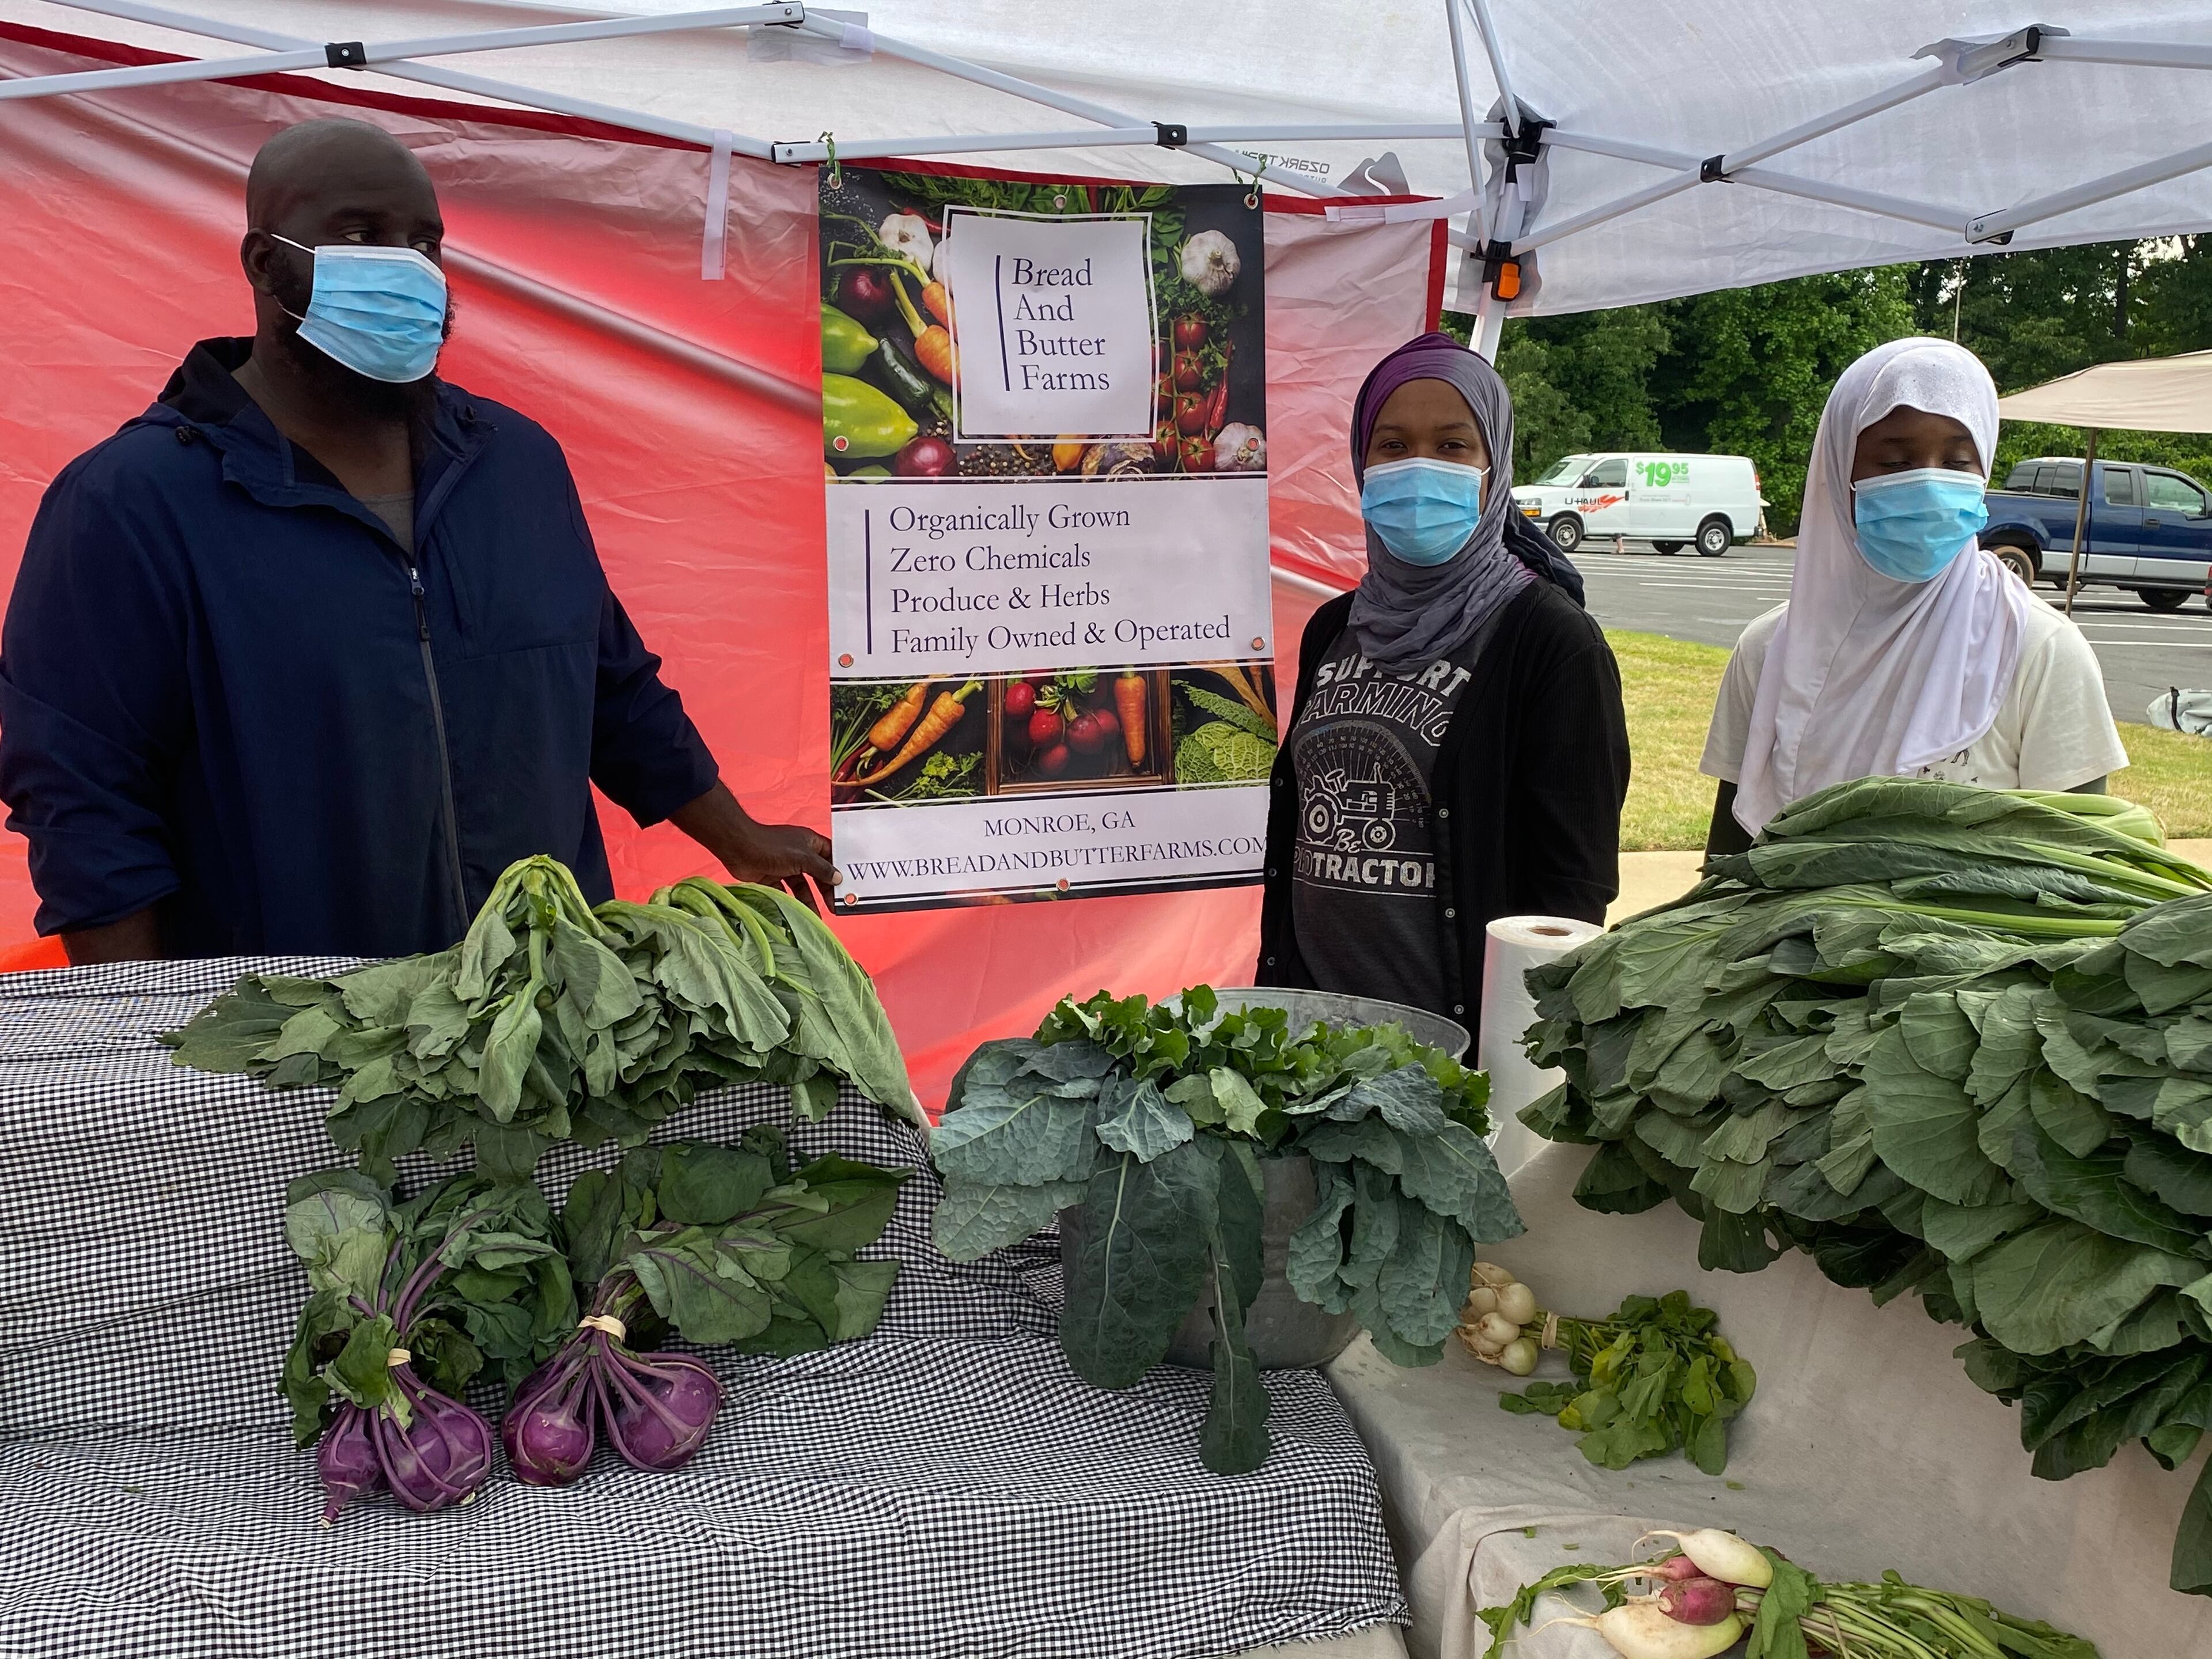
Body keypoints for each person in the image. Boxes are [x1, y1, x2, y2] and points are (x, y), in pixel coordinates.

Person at [0, 119, 832, 963]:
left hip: (540, 1007)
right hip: (297, 1036)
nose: (406, 266)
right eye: (361, 234)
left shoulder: (517, 465)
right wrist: (147, 1039)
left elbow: (608, 688)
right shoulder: (131, 502)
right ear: (263, 262)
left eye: (425, 242)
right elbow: (84, 795)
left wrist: (738, 836)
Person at [1257, 332, 1630, 1029]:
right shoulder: (1334, 628)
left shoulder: (1551, 641)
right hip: (1309, 1034)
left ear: (1495, 469)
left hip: (1450, 1053)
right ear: (1361, 463)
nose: (1418, 467)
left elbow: (1572, 893)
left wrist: (1511, 1051)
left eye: (1453, 446)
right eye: (1393, 446)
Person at [1701, 337, 2126, 855]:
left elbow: (2084, 874)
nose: (1928, 483)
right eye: (1896, 462)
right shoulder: (1770, 651)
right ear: (1840, 471)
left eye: (1957, 460)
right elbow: (1728, 864)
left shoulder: (2039, 651)